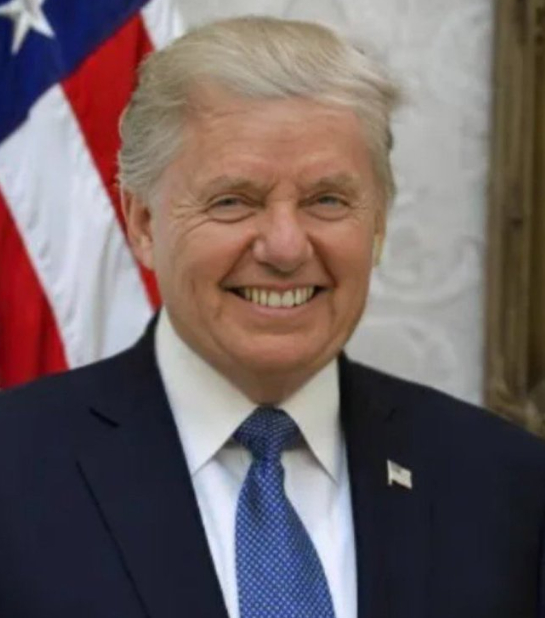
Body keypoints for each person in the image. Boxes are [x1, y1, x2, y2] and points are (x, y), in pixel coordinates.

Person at [1, 16, 545, 618]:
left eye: (327, 200)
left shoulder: (508, 483)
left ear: (378, 226)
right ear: (144, 224)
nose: (285, 248)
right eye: (233, 201)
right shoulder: (15, 470)